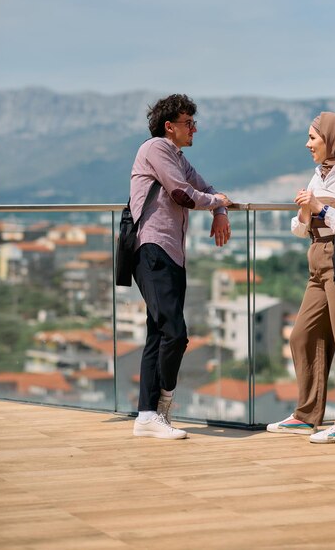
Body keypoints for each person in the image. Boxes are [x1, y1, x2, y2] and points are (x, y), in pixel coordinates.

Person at [267, 111, 335, 444]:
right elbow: (300, 228)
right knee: (303, 335)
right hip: (317, 262)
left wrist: (321, 208)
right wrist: (305, 213)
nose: (307, 144)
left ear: (334, 139)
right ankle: (306, 415)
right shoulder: (320, 174)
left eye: (313, 138)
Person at [130, 93, 232, 439]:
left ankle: (147, 416)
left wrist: (219, 209)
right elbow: (182, 194)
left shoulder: (177, 156)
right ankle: (162, 406)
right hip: (154, 250)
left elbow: (206, 188)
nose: (195, 129)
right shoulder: (156, 149)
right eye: (189, 123)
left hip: (171, 254)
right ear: (169, 126)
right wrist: (215, 203)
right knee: (175, 332)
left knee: (158, 333)